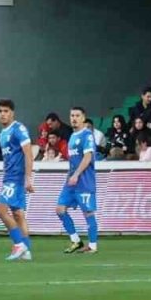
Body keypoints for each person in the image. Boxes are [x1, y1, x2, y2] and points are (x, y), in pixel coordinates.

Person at [0, 99, 35, 261]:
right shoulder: (3, 133)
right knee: (18, 214)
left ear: (12, 113)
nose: (3, 114)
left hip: (16, 178)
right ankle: (26, 251)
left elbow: (28, 153)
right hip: (9, 176)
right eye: (0, 111)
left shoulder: (18, 129)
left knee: (1, 210)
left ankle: (19, 244)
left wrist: (28, 178)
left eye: (6, 111)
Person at [57, 107, 99, 254]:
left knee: (88, 213)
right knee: (60, 209)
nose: (74, 118)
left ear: (83, 118)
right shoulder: (73, 136)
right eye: (72, 115)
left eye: (77, 115)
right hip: (71, 181)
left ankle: (93, 246)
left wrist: (76, 174)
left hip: (84, 181)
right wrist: (70, 175)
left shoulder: (87, 135)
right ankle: (76, 241)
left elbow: (87, 157)